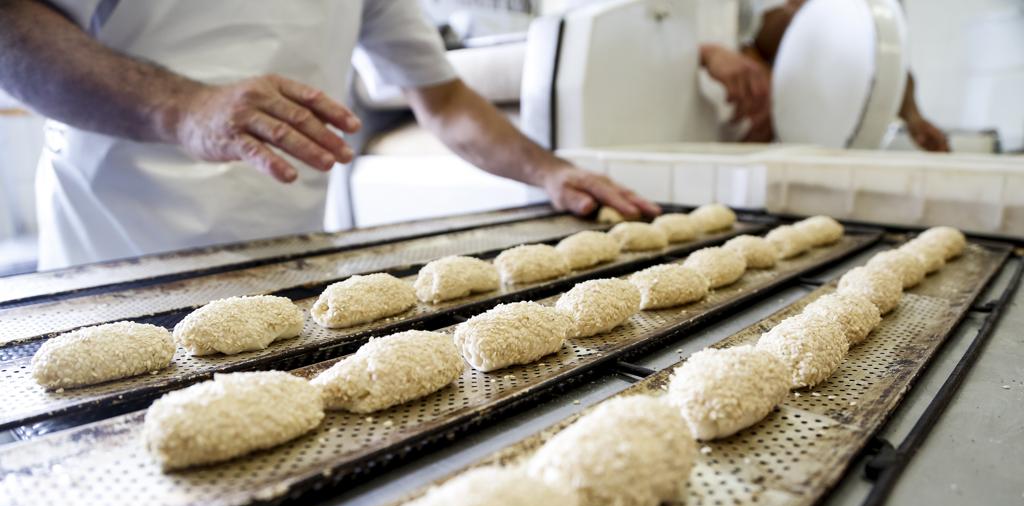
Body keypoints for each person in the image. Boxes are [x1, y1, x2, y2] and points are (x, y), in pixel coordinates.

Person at [0, 1, 659, 269]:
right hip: (117, 257)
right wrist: (183, 108)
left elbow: (445, 99)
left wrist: (548, 172)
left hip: (285, 269)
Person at [741, 0, 950, 150]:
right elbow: (752, 40)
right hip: (773, 132)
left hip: (840, 143)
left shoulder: (881, 9)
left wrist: (914, 118)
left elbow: (889, 64)